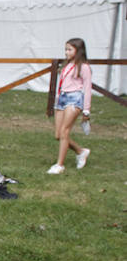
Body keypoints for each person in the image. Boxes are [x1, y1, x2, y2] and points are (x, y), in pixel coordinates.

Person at [47, 38, 92, 174]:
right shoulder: (67, 65)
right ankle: (80, 151)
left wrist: (86, 110)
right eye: (66, 49)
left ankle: (60, 165)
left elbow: (87, 88)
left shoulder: (84, 67)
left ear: (78, 51)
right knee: (58, 134)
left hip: (74, 98)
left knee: (65, 132)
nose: (66, 52)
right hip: (61, 99)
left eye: (69, 49)